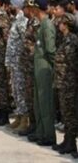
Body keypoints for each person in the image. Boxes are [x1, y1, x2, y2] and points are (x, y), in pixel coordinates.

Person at [29, 0, 56, 146]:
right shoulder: (42, 25)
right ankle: (40, 132)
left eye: (33, 8)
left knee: (45, 102)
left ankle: (49, 135)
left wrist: (55, 67)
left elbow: (51, 50)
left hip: (45, 68)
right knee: (38, 102)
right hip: (39, 68)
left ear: (37, 9)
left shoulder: (47, 25)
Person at [53, 18, 78, 156]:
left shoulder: (72, 40)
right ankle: (67, 140)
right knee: (65, 112)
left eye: (61, 23)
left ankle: (71, 143)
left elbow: (72, 62)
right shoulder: (64, 39)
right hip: (62, 80)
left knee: (70, 113)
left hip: (69, 81)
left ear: (67, 25)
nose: (59, 25)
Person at [6, 0, 28, 131]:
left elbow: (25, 41)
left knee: (21, 90)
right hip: (13, 62)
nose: (9, 7)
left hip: (19, 61)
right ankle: (19, 116)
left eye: (10, 4)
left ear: (16, 5)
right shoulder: (14, 20)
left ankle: (25, 118)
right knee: (15, 89)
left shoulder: (22, 20)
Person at [18, 0, 41, 137]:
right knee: (28, 96)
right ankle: (32, 123)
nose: (23, 10)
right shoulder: (29, 22)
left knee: (33, 96)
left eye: (25, 8)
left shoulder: (36, 23)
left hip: (32, 64)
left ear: (30, 8)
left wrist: (31, 51)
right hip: (27, 65)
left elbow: (39, 43)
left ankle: (36, 125)